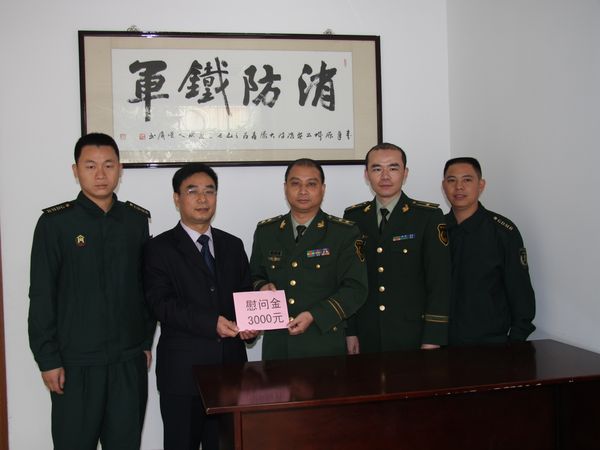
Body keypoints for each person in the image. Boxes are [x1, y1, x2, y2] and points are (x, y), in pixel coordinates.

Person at [28, 132, 155, 450]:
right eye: (90, 166)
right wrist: (47, 358)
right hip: (75, 364)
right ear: (76, 171)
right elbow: (41, 295)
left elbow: (145, 288)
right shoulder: (55, 224)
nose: (100, 174)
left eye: (108, 165)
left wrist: (144, 342)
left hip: (127, 361)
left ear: (120, 170)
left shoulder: (135, 221)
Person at [143, 163, 259, 450]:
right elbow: (161, 304)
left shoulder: (233, 245)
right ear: (177, 198)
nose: (203, 199)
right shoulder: (158, 248)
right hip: (183, 375)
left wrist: (251, 326)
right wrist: (211, 323)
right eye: (192, 191)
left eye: (210, 191)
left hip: (230, 372)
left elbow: (245, 295)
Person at [250, 158, 368, 360]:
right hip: (278, 346)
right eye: (295, 183)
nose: (303, 191)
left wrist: (315, 315)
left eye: (311, 184)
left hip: (323, 342)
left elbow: (355, 288)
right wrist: (261, 286)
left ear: (322, 189)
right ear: (285, 188)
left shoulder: (344, 233)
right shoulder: (266, 231)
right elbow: (254, 275)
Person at [344, 143, 451, 354]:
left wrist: (433, 337)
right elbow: (350, 279)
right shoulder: (354, 217)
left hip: (412, 333)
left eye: (393, 168)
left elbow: (439, 282)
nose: (385, 176)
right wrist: (351, 331)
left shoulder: (427, 217)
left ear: (405, 173)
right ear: (366, 175)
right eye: (377, 169)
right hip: (367, 332)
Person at [442, 157, 536, 345]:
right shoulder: (435, 230)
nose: (459, 187)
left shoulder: (502, 232)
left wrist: (515, 340)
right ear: (444, 186)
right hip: (440, 342)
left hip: (489, 344)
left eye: (467, 180)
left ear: (481, 185)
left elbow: (520, 292)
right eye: (452, 180)